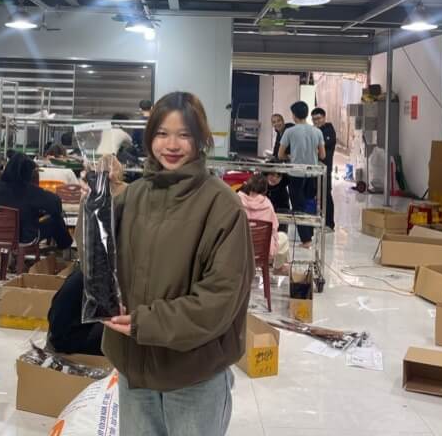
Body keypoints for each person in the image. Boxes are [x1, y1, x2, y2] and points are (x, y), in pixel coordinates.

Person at [95, 91, 254, 436]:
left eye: (184, 134)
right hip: (134, 370)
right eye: (162, 133)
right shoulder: (133, 196)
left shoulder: (221, 205)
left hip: (193, 376)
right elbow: (96, 260)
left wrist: (147, 323)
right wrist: (95, 202)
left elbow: (220, 299)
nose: (171, 145)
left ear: (201, 140)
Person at [0, 152, 72, 249]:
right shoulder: (28, 190)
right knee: (56, 220)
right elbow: (55, 202)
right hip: (25, 238)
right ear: (26, 173)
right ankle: (65, 251)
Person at [278, 101, 325, 248]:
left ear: (294, 115)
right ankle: (309, 235)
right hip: (312, 174)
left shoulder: (289, 131)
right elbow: (322, 155)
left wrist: (290, 157)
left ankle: (306, 240)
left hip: (296, 174)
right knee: (309, 204)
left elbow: (280, 155)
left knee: (298, 207)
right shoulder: (317, 132)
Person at [238, 174, 289, 275]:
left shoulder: (237, 200)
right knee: (283, 237)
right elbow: (274, 229)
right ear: (265, 190)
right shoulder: (267, 204)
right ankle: (278, 268)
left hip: (240, 249)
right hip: (262, 251)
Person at [47, 266, 104, 355]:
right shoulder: (97, 277)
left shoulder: (89, 270)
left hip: (63, 330)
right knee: (117, 335)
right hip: (65, 339)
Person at [311, 107, 336, 230]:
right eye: (314, 119)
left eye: (318, 118)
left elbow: (322, 146)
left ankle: (330, 224)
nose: (316, 121)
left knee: (326, 195)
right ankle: (319, 220)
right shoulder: (314, 130)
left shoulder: (329, 129)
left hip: (325, 168)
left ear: (324, 118)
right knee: (315, 194)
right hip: (314, 168)